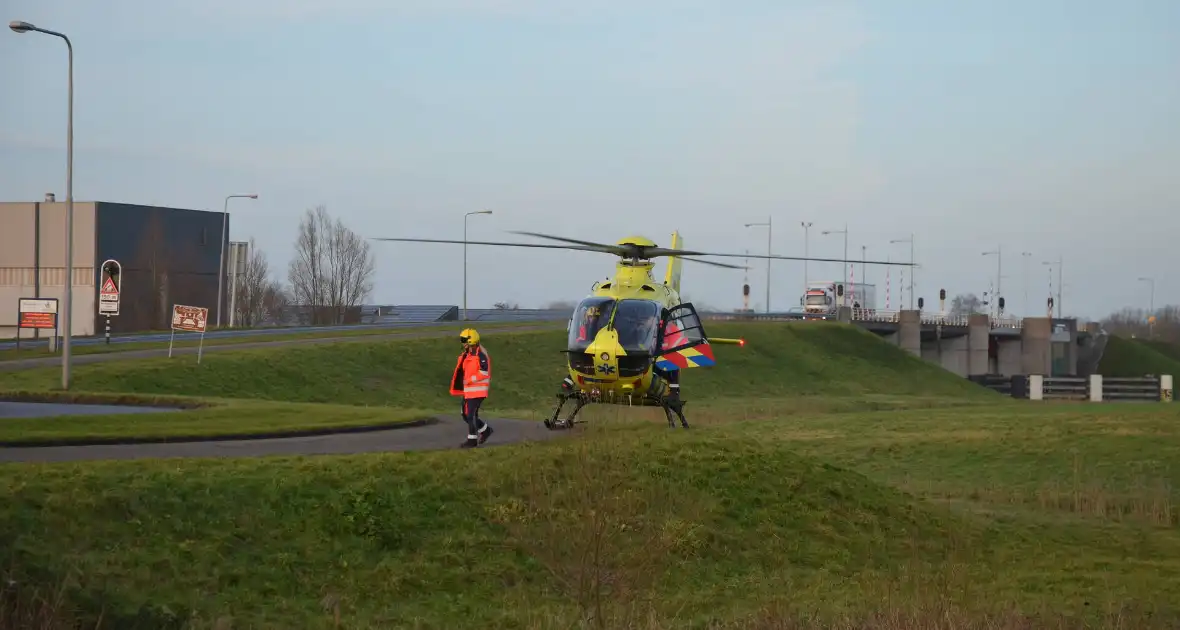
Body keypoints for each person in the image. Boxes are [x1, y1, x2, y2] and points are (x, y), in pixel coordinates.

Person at [449, 327, 493, 448]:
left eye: (463, 340)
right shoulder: (467, 355)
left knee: (471, 415)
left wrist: (469, 380)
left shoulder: (481, 355)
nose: (462, 343)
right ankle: (485, 430)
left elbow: (484, 373)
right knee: (465, 415)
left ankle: (472, 440)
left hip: (478, 392)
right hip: (469, 391)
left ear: (470, 340)